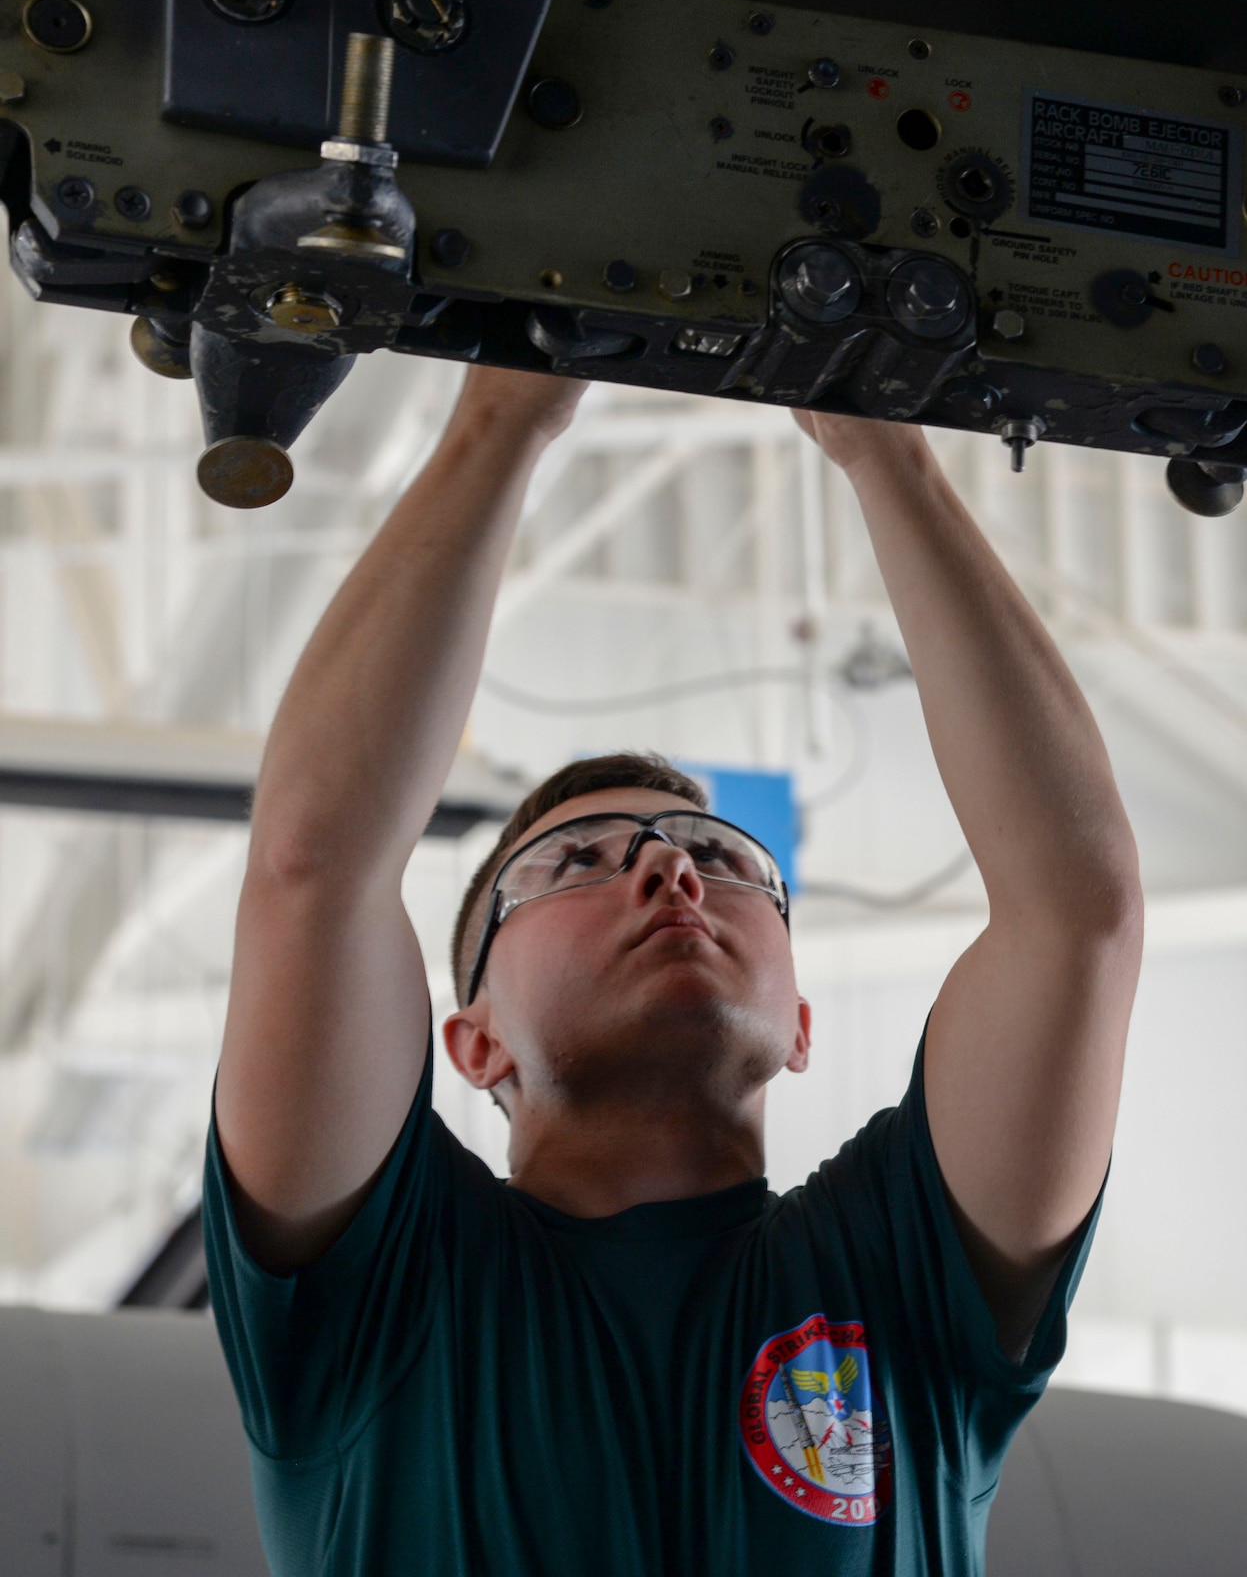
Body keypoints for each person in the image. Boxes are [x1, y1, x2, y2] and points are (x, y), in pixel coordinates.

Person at [203, 366, 1144, 1577]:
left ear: (800, 1022)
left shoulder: (901, 1270)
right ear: (473, 1039)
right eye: (575, 862)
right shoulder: (379, 1283)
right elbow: (311, 864)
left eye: (716, 854)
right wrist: (505, 413)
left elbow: (1077, 909)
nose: (671, 873)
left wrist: (883, 451)